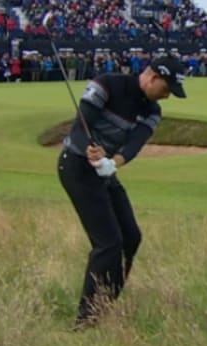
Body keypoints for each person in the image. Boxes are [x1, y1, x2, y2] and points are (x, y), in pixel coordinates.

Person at [57, 55, 187, 329]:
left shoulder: (152, 111)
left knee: (131, 237)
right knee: (107, 243)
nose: (166, 96)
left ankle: (107, 302)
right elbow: (82, 126)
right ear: (152, 77)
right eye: (165, 89)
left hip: (104, 171)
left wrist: (111, 162)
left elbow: (134, 144)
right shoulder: (107, 85)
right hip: (76, 167)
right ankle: (87, 319)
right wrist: (90, 150)